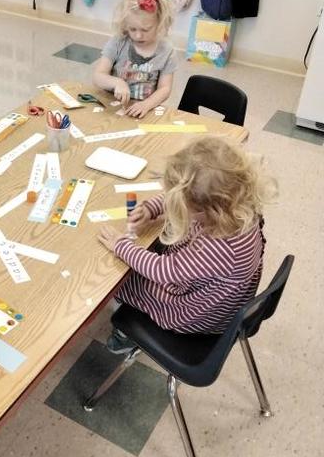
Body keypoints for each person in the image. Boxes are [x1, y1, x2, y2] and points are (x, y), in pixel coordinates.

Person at [97, 137, 277, 348]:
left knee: (120, 281)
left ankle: (126, 334)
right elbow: (180, 196)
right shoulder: (238, 203)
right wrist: (151, 209)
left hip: (194, 316)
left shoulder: (219, 246)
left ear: (205, 210)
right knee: (142, 257)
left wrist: (121, 245)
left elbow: (162, 271)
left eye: (182, 205)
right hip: (214, 293)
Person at [92, 0, 176, 118]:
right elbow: (97, 76)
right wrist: (117, 82)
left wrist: (147, 104)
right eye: (132, 29)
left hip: (144, 111)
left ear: (160, 22)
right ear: (125, 24)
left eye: (145, 29)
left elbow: (165, 89)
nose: (138, 35)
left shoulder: (167, 51)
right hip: (112, 109)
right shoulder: (118, 42)